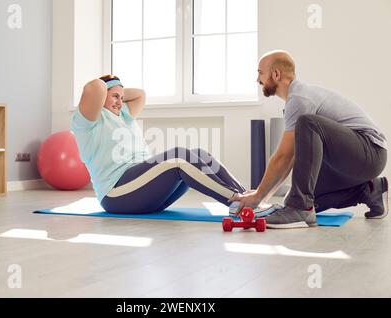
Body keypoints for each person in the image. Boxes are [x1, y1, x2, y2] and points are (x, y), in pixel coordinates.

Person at [233, 50, 388, 229]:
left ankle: (300, 209)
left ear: (276, 74)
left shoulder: (299, 99)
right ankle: (370, 191)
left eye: (260, 73)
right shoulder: (296, 100)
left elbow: (283, 156)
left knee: (307, 124)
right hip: (355, 159)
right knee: (295, 198)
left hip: (370, 151)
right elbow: (289, 158)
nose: (257, 79)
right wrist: (263, 198)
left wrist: (258, 195)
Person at [70, 75, 246, 213]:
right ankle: (240, 203)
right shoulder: (88, 121)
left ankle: (249, 197)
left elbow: (140, 94)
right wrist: (110, 84)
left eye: (122, 98)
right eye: (115, 97)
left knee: (201, 154)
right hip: (116, 193)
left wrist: (117, 90)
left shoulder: (124, 115)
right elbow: (95, 87)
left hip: (142, 189)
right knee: (179, 157)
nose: (120, 102)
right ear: (101, 98)